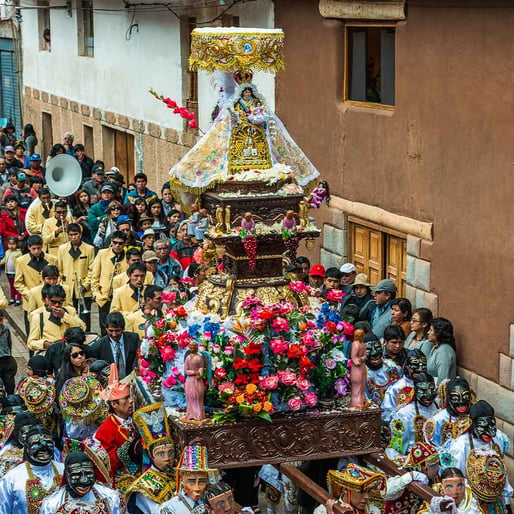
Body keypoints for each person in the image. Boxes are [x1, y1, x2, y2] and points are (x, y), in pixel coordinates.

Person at [94, 363, 142, 492]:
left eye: (130, 397)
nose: (131, 401)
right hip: (122, 480)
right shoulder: (105, 430)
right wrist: (131, 447)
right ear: (114, 404)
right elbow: (110, 464)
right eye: (126, 399)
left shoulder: (136, 419)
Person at [0, 425, 64, 514]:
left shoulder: (64, 470)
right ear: (27, 448)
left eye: (48, 443)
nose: (43, 447)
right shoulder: (12, 478)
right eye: (36, 444)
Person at [126, 402, 177, 512]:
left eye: (171, 452)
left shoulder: (177, 473)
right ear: (150, 455)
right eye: (160, 454)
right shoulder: (144, 486)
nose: (167, 458)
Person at [40, 450, 126, 514]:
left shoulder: (112, 498)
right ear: (66, 475)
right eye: (76, 475)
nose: (84, 481)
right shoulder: (51, 505)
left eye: (88, 474)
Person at [14, 234, 57, 334]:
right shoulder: (21, 261)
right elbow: (18, 283)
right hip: (30, 302)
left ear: (42, 247)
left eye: (38, 248)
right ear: (29, 247)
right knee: (32, 331)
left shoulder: (52, 259)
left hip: (49, 300)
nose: (36, 251)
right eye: (34, 249)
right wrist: (30, 294)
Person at [389, 372, 438, 455]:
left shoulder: (438, 406)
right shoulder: (403, 414)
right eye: (423, 390)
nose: (429, 394)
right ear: (415, 390)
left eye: (431, 389)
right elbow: (397, 448)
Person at [57, 222, 95, 330]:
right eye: (71, 235)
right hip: (68, 286)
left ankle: (86, 334)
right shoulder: (62, 249)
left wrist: (86, 284)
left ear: (80, 234)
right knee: (69, 313)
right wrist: (61, 285)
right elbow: (59, 269)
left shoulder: (89, 249)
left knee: (85, 316)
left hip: (83, 288)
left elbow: (91, 269)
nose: (74, 237)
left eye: (76, 234)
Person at [90, 230, 129, 336]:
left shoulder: (127, 257)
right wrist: (97, 294)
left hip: (120, 296)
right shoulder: (102, 254)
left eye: (120, 243)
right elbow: (94, 276)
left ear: (125, 243)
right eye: (115, 242)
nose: (117, 245)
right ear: (111, 241)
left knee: (120, 324)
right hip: (104, 297)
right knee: (104, 326)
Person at [27, 284, 85, 353]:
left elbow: (82, 328)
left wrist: (65, 316)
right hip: (49, 352)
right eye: (53, 302)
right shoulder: (38, 316)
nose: (57, 305)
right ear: (47, 300)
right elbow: (31, 343)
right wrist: (43, 344)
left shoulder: (70, 311)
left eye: (60, 302)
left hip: (69, 351)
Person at [160, 445, 216, 514]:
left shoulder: (213, 501)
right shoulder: (170, 508)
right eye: (191, 483)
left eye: (202, 483)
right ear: (182, 479)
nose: (197, 488)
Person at [314, 463, 385, 514]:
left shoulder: (374, 511)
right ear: (345, 489)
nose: (367, 497)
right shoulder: (322, 511)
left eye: (369, 491)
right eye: (361, 491)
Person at [424, 376, 472, 449]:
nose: (461, 402)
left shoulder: (475, 417)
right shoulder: (438, 420)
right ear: (447, 398)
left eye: (465, 397)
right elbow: (432, 450)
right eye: (455, 398)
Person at [87, 312, 140, 379]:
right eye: (111, 331)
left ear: (123, 329)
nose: (114, 334)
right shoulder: (97, 347)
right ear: (106, 329)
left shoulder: (133, 339)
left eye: (117, 331)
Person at [381, 348, 428, 423]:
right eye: (415, 365)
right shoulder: (396, 388)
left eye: (423, 365)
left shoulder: (431, 385)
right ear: (406, 366)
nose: (420, 369)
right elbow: (385, 415)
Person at [364, 332, 401, 406]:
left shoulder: (392, 366)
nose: (374, 352)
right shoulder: (360, 374)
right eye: (368, 349)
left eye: (377, 347)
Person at [427, 317, 457, 386]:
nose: (428, 332)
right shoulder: (435, 347)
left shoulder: (444, 352)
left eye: (431, 330)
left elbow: (442, 380)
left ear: (439, 333)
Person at [183, 341, 206, 421]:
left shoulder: (199, 358)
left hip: (197, 380)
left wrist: (199, 373)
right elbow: (186, 370)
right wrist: (193, 372)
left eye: (194, 347)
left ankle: (198, 414)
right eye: (191, 347)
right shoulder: (188, 358)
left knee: (197, 396)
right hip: (189, 380)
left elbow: (201, 367)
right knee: (189, 396)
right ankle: (190, 413)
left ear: (196, 348)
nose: (192, 348)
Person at [1, 236, 22, 305]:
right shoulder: (7, 252)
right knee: (11, 285)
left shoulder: (19, 253)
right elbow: (4, 260)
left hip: (16, 272)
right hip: (8, 272)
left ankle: (18, 298)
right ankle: (12, 298)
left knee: (17, 285)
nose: (11, 246)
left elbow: (20, 262)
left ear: (16, 244)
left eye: (13, 244)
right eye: (10, 244)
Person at [0, 311, 16, 394]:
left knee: (10, 385)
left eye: (1, 320)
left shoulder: (6, 329)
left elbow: (9, 344)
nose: (1, 323)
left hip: (7, 360)